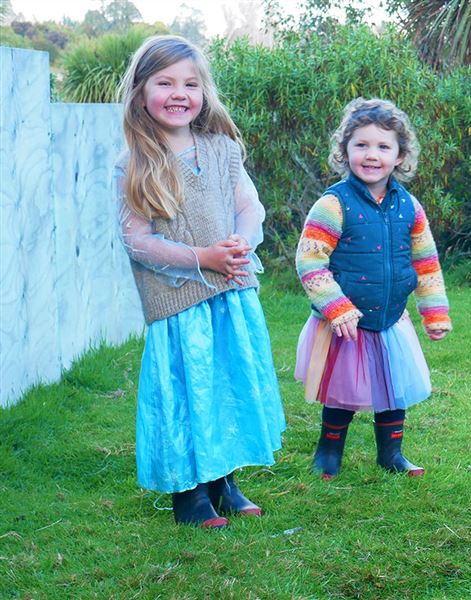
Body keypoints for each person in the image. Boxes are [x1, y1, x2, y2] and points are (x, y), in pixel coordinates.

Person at [115, 35, 285, 528]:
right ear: (141, 92)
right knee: (190, 392)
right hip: (179, 303)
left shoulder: (222, 148)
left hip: (231, 292)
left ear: (204, 92)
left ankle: (223, 480)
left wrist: (241, 245)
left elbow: (249, 206)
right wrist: (201, 258)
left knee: (229, 382)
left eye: (190, 83)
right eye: (164, 82)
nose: (178, 93)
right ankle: (189, 493)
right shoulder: (135, 162)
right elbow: (138, 242)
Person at [294, 98, 451, 480]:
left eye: (383, 147)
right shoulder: (333, 203)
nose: (371, 155)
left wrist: (435, 312)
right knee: (341, 393)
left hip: (390, 320)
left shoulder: (409, 207)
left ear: (400, 156)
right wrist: (337, 307)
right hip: (346, 322)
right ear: (345, 151)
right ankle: (328, 453)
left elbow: (426, 264)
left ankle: (392, 454)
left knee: (392, 389)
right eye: (361, 145)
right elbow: (310, 260)